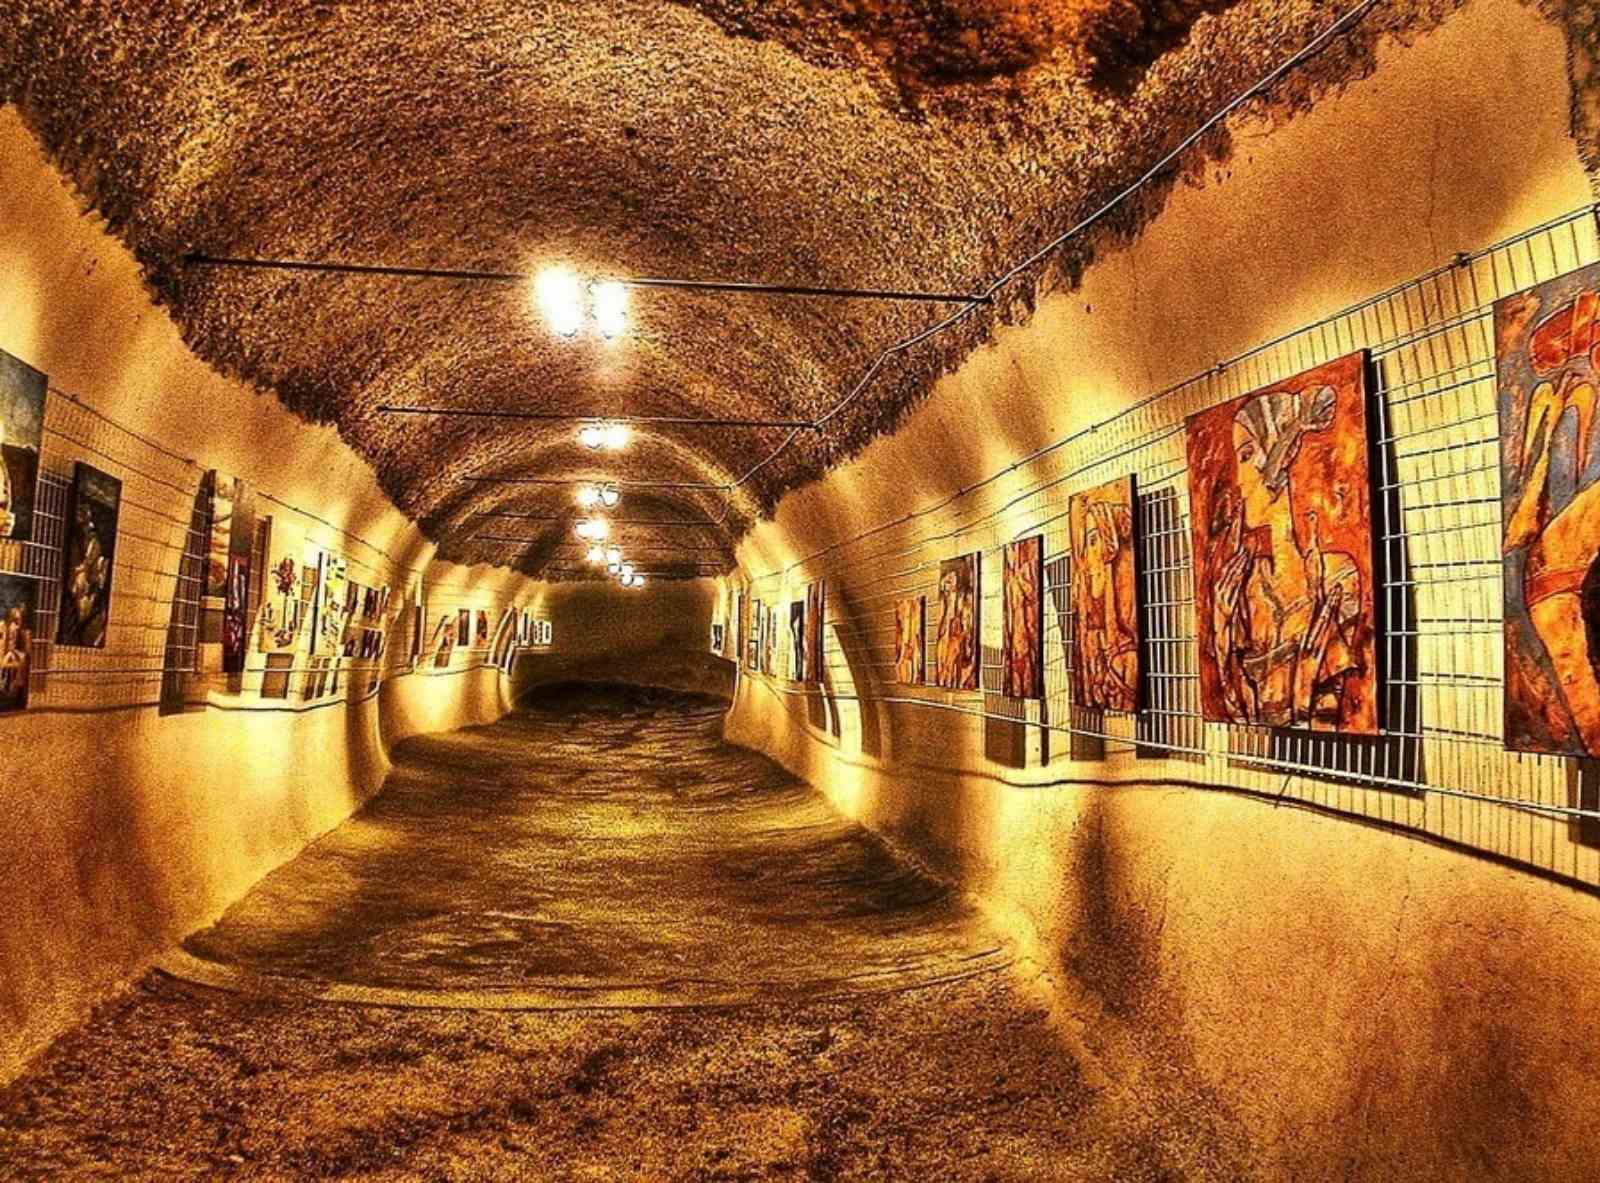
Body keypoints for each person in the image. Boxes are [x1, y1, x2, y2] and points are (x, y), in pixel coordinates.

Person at [1207, 383, 1363, 729]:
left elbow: (1329, 717)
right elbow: (1237, 711)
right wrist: (1221, 627)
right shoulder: (1247, 585)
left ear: (1275, 455)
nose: (1240, 481)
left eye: (1246, 456)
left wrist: (1308, 674)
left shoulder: (1337, 575)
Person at [1074, 499, 1137, 712]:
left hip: (1115, 656)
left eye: (1093, 540)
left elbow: (1121, 630)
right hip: (1096, 663)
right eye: (1086, 543)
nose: (1088, 552)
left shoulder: (1121, 582)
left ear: (1107, 540)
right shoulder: (1083, 585)